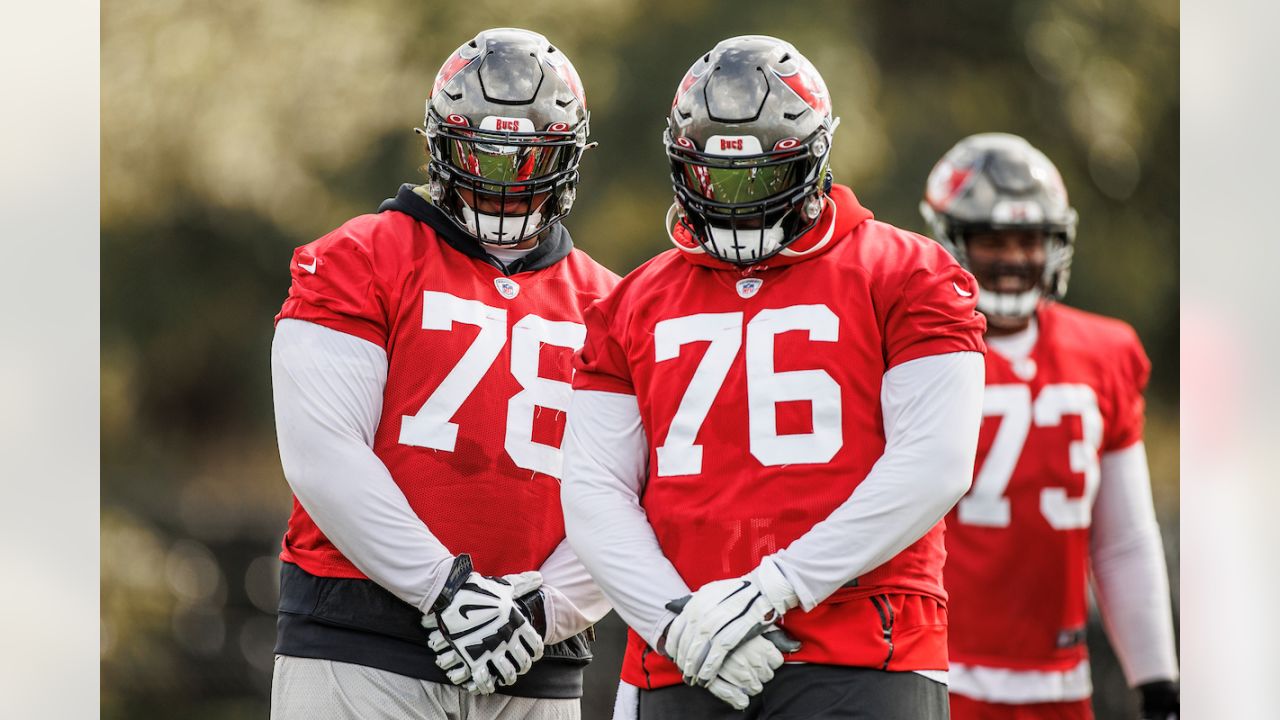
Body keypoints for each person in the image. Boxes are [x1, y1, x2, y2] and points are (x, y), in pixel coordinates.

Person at [561, 35, 988, 719]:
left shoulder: (910, 274)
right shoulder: (629, 303)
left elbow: (935, 464)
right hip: (686, 654)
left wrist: (775, 585)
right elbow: (592, 489)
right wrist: (672, 619)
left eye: (763, 177)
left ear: (814, 163)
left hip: (862, 651)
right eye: (717, 178)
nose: (738, 203)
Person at [269, 27, 617, 720]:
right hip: (361, 641)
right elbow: (322, 455)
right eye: (480, 155)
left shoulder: (615, 304)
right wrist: (443, 588)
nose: (500, 183)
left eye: (527, 162)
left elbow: (626, 493)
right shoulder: (359, 257)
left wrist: (544, 609)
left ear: (568, 159)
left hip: (533, 662)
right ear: (438, 147)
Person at [919, 133, 1180, 720]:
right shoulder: (911, 349)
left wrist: (1158, 679)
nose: (1014, 258)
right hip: (933, 671)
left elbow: (1122, 540)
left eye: (1030, 240)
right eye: (993, 239)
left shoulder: (1106, 352)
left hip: (1058, 685)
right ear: (951, 237)